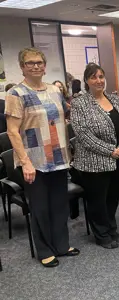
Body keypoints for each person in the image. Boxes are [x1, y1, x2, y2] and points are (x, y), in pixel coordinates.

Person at [5, 47, 79, 267]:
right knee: (40, 208)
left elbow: (65, 117)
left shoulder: (54, 90)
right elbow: (12, 131)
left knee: (59, 205)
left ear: (45, 67)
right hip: (34, 162)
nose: (35, 66)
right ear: (22, 67)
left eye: (39, 62)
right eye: (30, 63)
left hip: (58, 158)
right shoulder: (16, 94)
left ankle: (62, 245)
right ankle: (45, 250)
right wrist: (25, 162)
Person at [71, 63, 119, 249]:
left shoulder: (116, 100)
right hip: (94, 162)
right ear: (86, 81)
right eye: (93, 77)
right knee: (97, 200)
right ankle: (101, 234)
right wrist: (109, 150)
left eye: (101, 76)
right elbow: (82, 134)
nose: (98, 80)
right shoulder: (79, 103)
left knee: (112, 196)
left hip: (118, 158)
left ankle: (111, 228)